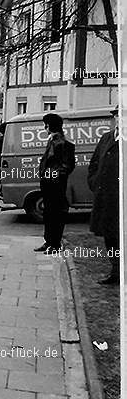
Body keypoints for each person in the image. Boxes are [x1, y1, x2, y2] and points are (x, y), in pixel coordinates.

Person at [34, 113, 75, 254]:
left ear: (50, 126)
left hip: (55, 185)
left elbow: (67, 166)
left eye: (46, 124)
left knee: (55, 214)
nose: (44, 127)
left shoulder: (63, 143)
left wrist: (53, 177)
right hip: (48, 184)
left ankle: (55, 244)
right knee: (48, 213)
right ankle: (49, 241)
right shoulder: (52, 141)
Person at [87, 107, 120, 284]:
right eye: (116, 116)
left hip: (120, 200)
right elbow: (94, 164)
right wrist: (94, 181)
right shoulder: (106, 137)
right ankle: (115, 271)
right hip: (104, 198)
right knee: (110, 237)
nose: (118, 119)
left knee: (121, 236)